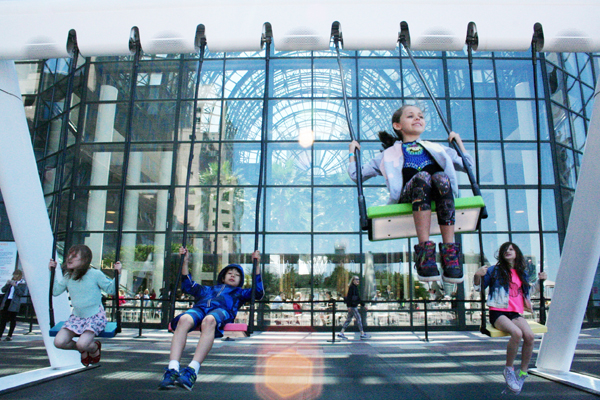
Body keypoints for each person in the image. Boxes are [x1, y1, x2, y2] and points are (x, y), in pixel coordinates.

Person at [348, 104, 474, 284]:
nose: (418, 118)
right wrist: (352, 153)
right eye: (410, 116)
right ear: (397, 126)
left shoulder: (437, 148)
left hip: (440, 192)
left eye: (420, 116)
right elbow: (356, 175)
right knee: (422, 177)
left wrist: (458, 143)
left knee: (440, 177)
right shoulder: (388, 154)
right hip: (410, 194)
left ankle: (450, 254)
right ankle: (425, 253)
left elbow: (467, 166)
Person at [159, 247, 263, 391]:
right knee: (184, 320)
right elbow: (188, 286)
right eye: (229, 273)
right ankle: (172, 369)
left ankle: (192, 370)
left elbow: (258, 292)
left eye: (237, 275)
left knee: (209, 321)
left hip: (222, 312)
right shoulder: (208, 290)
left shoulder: (240, 293)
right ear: (223, 277)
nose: (232, 275)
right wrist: (185, 261)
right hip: (201, 308)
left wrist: (256, 265)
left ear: (240, 281)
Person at [474, 242, 547, 394]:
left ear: (516, 253)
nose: (508, 251)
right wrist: (477, 276)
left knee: (530, 336)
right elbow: (479, 289)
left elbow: (529, 292)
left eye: (511, 249)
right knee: (517, 333)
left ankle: (523, 372)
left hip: (515, 312)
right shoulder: (494, 270)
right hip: (498, 311)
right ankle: (509, 369)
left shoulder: (522, 273)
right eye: (505, 250)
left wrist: (541, 281)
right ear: (501, 254)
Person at [49, 244, 121, 366]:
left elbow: (111, 290)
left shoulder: (95, 274)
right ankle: (82, 349)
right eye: (68, 256)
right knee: (59, 342)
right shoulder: (68, 276)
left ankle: (94, 348)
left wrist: (118, 274)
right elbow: (55, 291)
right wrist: (53, 272)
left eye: (74, 256)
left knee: (82, 342)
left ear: (84, 260)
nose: (69, 259)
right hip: (76, 318)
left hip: (94, 317)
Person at [338, 276, 369, 340]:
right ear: (353, 281)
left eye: (358, 279)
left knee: (348, 319)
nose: (358, 281)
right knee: (359, 318)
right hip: (353, 306)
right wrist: (348, 306)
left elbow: (358, 298)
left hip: (353, 306)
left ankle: (341, 332)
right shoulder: (352, 288)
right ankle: (362, 333)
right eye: (356, 279)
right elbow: (349, 297)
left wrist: (363, 305)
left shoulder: (355, 288)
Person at [0, 270, 28, 341]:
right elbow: (3, 290)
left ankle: (9, 335)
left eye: (16, 275)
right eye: (14, 275)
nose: (14, 277)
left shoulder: (22, 284)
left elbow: (21, 293)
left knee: (12, 319)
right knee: (2, 319)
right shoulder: (11, 283)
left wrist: (15, 286)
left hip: (14, 303)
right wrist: (7, 284)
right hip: (7, 301)